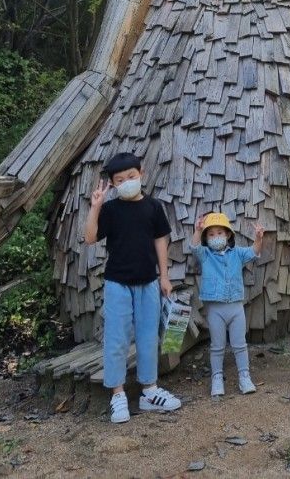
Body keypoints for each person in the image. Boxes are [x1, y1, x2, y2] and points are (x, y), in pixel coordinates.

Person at [84, 151, 182, 423]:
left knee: (149, 337)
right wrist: (96, 206)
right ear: (113, 184)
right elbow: (90, 237)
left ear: (142, 174)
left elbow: (161, 240)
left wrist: (164, 276)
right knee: (117, 339)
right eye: (120, 179)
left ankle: (149, 391)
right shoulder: (111, 210)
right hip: (118, 284)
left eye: (131, 176)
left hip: (149, 282)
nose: (127, 181)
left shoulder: (153, 207)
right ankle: (117, 394)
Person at [191, 212, 265, 397]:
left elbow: (254, 252)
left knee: (240, 344)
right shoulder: (206, 254)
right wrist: (197, 231)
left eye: (220, 233)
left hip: (236, 307)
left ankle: (244, 376)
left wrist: (258, 238)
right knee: (217, 346)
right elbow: (194, 247)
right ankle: (217, 378)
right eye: (211, 234)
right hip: (215, 309)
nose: (216, 237)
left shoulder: (237, 253)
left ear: (228, 235)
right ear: (206, 238)